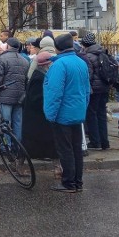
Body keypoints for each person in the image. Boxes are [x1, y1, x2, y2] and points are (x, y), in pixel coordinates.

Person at [44, 34, 90, 193]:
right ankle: (78, 181)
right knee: (77, 149)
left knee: (65, 149)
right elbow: (86, 90)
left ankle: (68, 182)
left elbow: (54, 92)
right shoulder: (81, 62)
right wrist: (84, 108)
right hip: (77, 112)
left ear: (57, 47)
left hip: (62, 114)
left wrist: (50, 114)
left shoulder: (59, 65)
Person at [0, 37, 29, 142]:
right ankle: (17, 146)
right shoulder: (25, 61)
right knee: (17, 122)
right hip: (19, 96)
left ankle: (6, 146)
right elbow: (26, 80)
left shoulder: (2, 59)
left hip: (4, 96)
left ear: (7, 46)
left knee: (5, 122)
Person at [22, 51, 57, 160]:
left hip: (36, 113)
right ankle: (39, 155)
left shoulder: (40, 74)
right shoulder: (39, 77)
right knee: (39, 135)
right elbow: (36, 98)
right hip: (36, 114)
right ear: (46, 64)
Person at [78, 33, 111, 150]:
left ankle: (95, 141)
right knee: (102, 115)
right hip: (104, 88)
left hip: (94, 90)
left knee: (91, 115)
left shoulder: (88, 56)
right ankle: (104, 142)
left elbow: (89, 75)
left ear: (84, 45)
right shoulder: (103, 53)